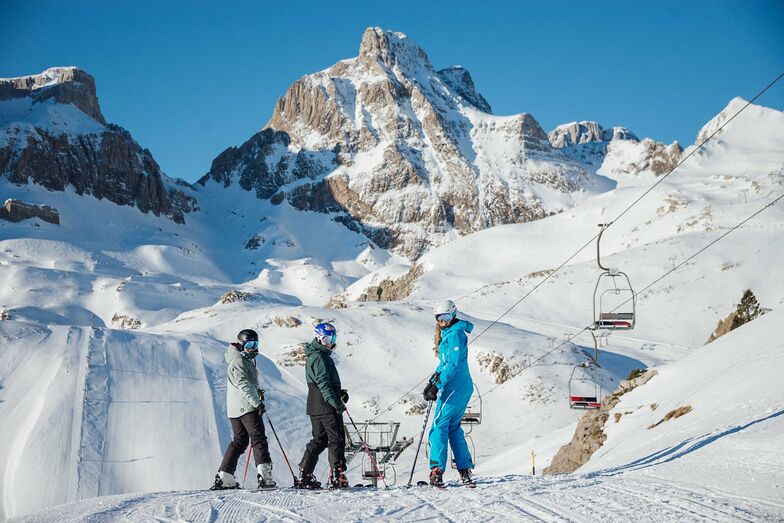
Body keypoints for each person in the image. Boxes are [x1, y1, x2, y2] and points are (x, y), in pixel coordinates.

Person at [211, 329, 277, 490]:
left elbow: (247, 384)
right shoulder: (238, 361)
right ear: (241, 345)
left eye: (255, 344)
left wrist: (257, 392)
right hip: (246, 407)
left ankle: (225, 476)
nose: (253, 348)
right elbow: (243, 384)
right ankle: (265, 477)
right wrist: (256, 402)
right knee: (258, 438)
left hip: (235, 409)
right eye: (250, 345)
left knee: (240, 441)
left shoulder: (242, 360)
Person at [423, 299, 475, 488]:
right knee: (452, 427)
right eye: (439, 317)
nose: (442, 321)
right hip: (458, 386)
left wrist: (437, 384)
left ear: (453, 314)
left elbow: (452, 365)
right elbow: (444, 364)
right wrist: (433, 381)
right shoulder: (449, 333)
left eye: (445, 316)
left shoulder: (455, 335)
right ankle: (464, 469)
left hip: (456, 387)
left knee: (438, 426)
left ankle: (437, 469)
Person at [296, 322, 350, 489]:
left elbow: (324, 384)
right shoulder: (320, 357)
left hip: (314, 405)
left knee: (320, 439)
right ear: (319, 337)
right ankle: (337, 474)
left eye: (333, 338)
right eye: (327, 338)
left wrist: (338, 393)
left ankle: (305, 474)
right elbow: (323, 383)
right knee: (336, 438)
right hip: (326, 405)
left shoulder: (316, 355)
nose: (330, 342)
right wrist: (336, 402)